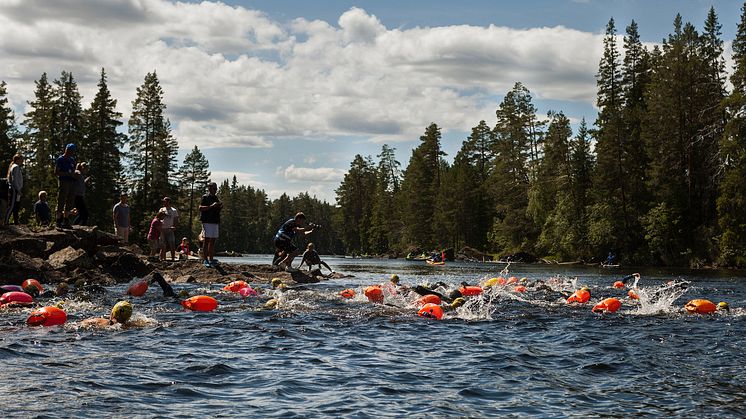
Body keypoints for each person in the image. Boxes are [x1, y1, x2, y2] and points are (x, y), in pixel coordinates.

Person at [54, 144, 78, 229]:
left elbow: (73, 170)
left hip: (72, 182)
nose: (71, 152)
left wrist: (75, 174)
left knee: (70, 201)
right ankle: (58, 220)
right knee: (61, 200)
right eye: (70, 150)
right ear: (66, 150)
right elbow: (56, 172)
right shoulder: (60, 159)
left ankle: (66, 219)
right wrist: (68, 174)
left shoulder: (72, 160)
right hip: (64, 181)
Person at [199, 182, 222, 268]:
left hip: (214, 221)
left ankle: (211, 259)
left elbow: (216, 209)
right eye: (214, 188)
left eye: (216, 189)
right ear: (209, 188)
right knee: (207, 240)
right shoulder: (205, 197)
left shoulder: (216, 198)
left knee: (213, 241)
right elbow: (200, 208)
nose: (215, 190)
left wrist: (219, 206)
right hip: (207, 221)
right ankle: (205, 259)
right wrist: (212, 206)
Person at [158, 197, 179, 261]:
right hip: (162, 229)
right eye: (163, 201)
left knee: (172, 244)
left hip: (170, 229)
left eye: (165, 201)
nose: (163, 203)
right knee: (162, 245)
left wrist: (175, 227)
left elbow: (176, 220)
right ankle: (161, 259)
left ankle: (173, 259)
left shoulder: (174, 210)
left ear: (168, 202)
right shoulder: (161, 209)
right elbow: (158, 218)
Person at [5, 154, 23, 225]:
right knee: (12, 206)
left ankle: (16, 222)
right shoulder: (15, 167)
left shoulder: (16, 167)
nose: (22, 161)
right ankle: (5, 222)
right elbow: (14, 180)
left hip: (16, 190)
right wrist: (18, 190)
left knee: (16, 206)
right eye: (21, 159)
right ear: (17, 160)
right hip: (14, 190)